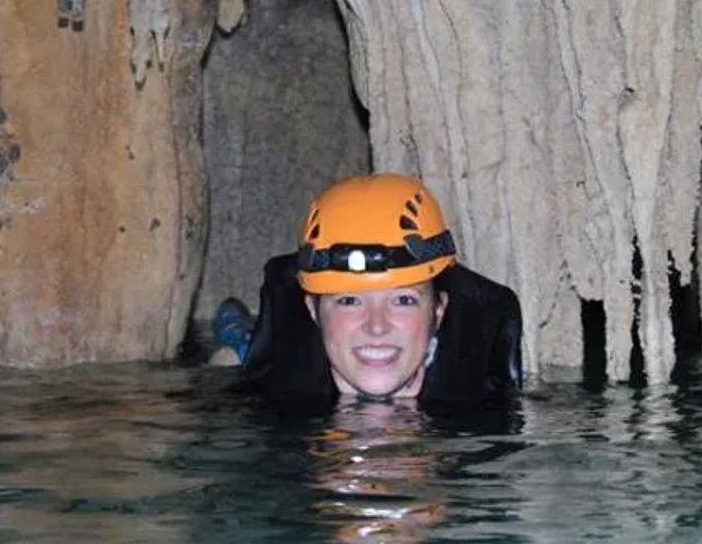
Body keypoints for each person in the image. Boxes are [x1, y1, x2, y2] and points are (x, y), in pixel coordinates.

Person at [217, 173, 522, 403]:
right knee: (228, 358)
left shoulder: (482, 409)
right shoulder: (269, 397)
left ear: (439, 311)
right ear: (313, 310)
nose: (377, 327)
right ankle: (240, 336)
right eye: (349, 300)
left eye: (404, 300)